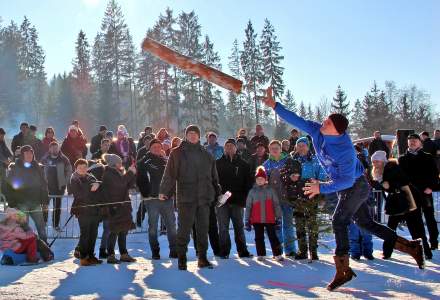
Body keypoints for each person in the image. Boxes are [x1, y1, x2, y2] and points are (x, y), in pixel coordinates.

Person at [262, 87, 425, 291]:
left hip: (355, 185)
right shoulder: (317, 131)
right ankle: (411, 247)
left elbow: (347, 182)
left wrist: (321, 187)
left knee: (338, 220)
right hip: (344, 186)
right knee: (367, 224)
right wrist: (275, 106)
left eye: (328, 122)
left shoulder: (345, 149)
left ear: (336, 130)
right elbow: (296, 119)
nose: (323, 122)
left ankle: (343, 270)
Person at [160, 125, 221, 270]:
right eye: (190, 133)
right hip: (186, 198)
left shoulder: (206, 155)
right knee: (184, 230)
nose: (193, 136)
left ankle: (202, 258)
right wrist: (164, 191)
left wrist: (217, 193)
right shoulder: (177, 153)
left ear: (200, 136)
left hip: (204, 198)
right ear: (186, 135)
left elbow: (214, 178)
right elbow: (169, 174)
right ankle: (182, 258)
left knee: (202, 230)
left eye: (195, 133)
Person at [371, 150, 432, 260]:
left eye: (376, 161)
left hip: (407, 200)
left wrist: (389, 186)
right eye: (373, 162)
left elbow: (403, 181)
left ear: (382, 161)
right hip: (398, 201)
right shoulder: (382, 170)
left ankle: (424, 251)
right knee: (394, 228)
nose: (374, 164)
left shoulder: (391, 168)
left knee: (413, 228)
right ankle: (388, 252)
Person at [136, 138, 177, 260]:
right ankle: (155, 251)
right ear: (150, 148)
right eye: (154, 147)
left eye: (159, 147)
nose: (157, 149)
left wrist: (170, 194)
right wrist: (149, 194)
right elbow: (141, 181)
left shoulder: (166, 161)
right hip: (152, 200)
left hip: (167, 199)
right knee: (153, 227)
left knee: (171, 226)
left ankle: (174, 250)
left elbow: (172, 179)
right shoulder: (144, 162)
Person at [398, 134, 439, 250]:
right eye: (410, 141)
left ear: (420, 142)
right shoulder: (402, 158)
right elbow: (400, 177)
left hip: (425, 192)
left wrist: (431, 187)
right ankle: (421, 244)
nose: (412, 142)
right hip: (410, 194)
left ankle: (434, 241)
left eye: (415, 140)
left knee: (430, 218)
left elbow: (435, 174)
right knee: (415, 220)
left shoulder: (428, 157)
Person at [3, 145, 49, 244]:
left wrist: (45, 201)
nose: (29, 155)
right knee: (24, 227)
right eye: (26, 153)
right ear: (22, 155)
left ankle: (45, 245)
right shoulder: (16, 167)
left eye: (31, 153)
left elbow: (43, 184)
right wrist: (12, 203)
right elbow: (8, 186)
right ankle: (26, 246)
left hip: (35, 202)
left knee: (41, 226)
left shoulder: (37, 167)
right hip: (21, 204)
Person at [216, 139, 253, 259]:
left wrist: (245, 199)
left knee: (239, 227)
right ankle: (224, 251)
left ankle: (242, 251)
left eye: (232, 146)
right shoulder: (217, 164)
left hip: (238, 201)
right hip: (222, 202)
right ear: (224, 148)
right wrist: (217, 196)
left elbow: (248, 183)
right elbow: (213, 182)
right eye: (227, 146)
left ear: (236, 148)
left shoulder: (244, 164)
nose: (230, 148)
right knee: (223, 228)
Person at [291, 137, 327, 260]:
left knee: (312, 224)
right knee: (299, 223)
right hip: (297, 194)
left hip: (312, 194)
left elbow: (322, 174)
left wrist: (318, 183)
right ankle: (302, 250)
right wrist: (291, 178)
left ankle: (313, 250)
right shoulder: (292, 160)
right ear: (296, 147)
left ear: (308, 146)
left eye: (303, 145)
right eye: (299, 145)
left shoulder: (315, 159)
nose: (301, 147)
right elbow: (285, 174)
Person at [263, 140, 298, 257]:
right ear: (269, 150)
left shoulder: (288, 161)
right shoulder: (266, 164)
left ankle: (290, 249)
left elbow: (295, 176)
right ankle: (278, 250)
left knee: (288, 225)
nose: (274, 150)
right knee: (276, 227)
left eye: (276, 148)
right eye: (272, 148)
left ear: (280, 149)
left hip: (287, 198)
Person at [101, 153, 137, 264]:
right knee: (114, 231)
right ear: (113, 163)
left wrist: (133, 173)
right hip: (115, 207)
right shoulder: (108, 174)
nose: (121, 163)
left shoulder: (119, 172)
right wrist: (130, 173)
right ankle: (111, 255)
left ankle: (124, 253)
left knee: (123, 230)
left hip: (124, 206)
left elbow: (127, 185)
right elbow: (120, 184)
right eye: (119, 162)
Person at [245, 166, 283, 261]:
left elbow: (276, 205)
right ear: (256, 180)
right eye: (258, 179)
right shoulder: (252, 192)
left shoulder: (270, 190)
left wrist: (278, 218)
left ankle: (277, 254)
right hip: (257, 219)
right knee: (259, 237)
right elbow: (248, 206)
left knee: (273, 236)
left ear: (265, 179)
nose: (260, 181)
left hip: (269, 218)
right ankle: (261, 254)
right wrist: (247, 220)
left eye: (262, 179)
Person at [69, 159, 102, 266]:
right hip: (82, 210)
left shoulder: (91, 176)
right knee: (85, 234)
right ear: (76, 168)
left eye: (84, 167)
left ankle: (91, 255)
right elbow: (79, 194)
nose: (83, 170)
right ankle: (83, 256)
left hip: (94, 209)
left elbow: (98, 186)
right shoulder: (74, 179)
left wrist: (98, 185)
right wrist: (92, 188)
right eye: (80, 168)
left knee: (93, 234)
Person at [41, 141, 72, 230]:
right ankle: (44, 222)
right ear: (49, 149)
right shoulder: (45, 159)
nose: (55, 149)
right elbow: (39, 171)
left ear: (59, 148)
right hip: (46, 187)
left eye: (56, 147)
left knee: (57, 207)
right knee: (45, 205)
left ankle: (55, 224)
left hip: (59, 187)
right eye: (53, 148)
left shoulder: (64, 159)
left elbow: (69, 171)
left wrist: (64, 182)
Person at [0, 128, 13, 194]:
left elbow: (7, 151)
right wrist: (5, 160)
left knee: (4, 180)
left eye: (3, 136)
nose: (2, 137)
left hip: (3, 165)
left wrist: (11, 157)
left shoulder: (2, 142)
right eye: (1, 136)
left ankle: (3, 195)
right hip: (1, 164)